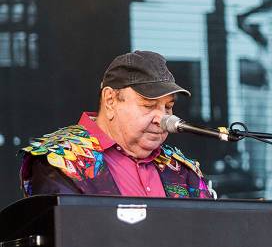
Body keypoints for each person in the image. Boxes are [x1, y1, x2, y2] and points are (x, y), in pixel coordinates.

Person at [20, 51, 213, 199]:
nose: (162, 118)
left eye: (168, 107)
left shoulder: (179, 168)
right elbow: (67, 236)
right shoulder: (60, 160)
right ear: (110, 100)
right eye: (148, 105)